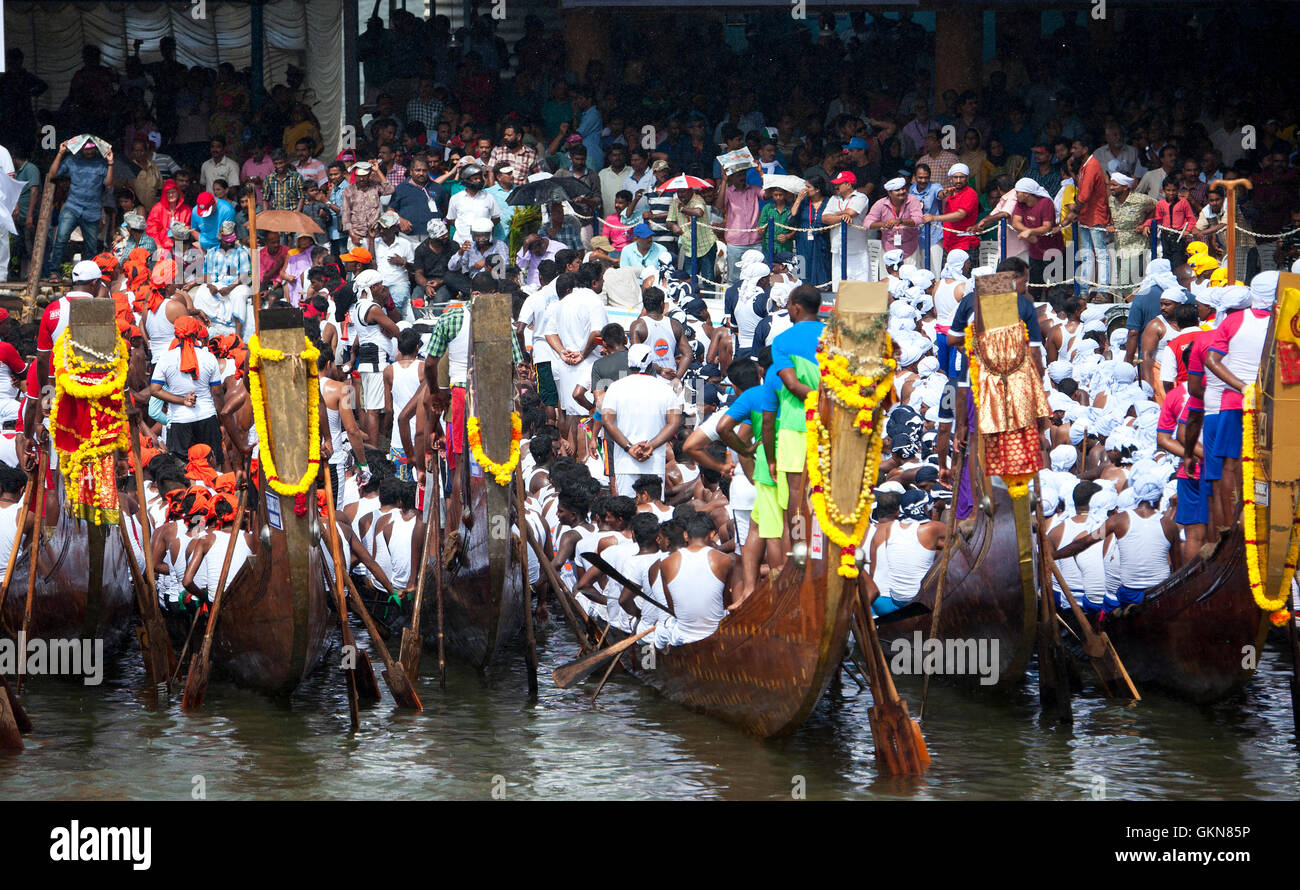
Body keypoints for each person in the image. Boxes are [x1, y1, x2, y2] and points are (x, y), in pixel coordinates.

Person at [601, 343, 682, 498]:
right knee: (653, 511)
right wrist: (650, 446)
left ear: (628, 363)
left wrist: (629, 448)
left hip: (625, 462)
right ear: (651, 364)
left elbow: (607, 421)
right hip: (654, 462)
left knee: (625, 511)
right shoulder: (665, 388)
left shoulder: (615, 387)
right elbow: (673, 423)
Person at [150, 317, 225, 462]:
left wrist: (182, 401)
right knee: (211, 466)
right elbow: (217, 393)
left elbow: (154, 390)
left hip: (180, 421)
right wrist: (221, 423)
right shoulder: (209, 357)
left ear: (176, 334)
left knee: (183, 471)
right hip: (207, 418)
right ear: (197, 333)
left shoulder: (165, 358)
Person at [652, 512, 733, 646]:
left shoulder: (666, 563)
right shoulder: (724, 560)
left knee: (664, 629)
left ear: (685, 535)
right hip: (715, 631)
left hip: (684, 635)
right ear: (712, 534)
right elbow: (726, 601)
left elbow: (672, 607)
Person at [193, 221, 252, 337]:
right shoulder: (212, 252)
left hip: (236, 284)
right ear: (220, 239)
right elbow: (206, 274)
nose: (230, 244)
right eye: (227, 241)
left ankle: (238, 335)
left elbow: (245, 275)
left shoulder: (242, 252)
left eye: (232, 241)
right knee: (201, 293)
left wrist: (230, 288)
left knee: (240, 295)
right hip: (217, 284)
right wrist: (210, 286)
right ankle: (201, 330)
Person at [628, 287, 691, 381]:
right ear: (662, 304)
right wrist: (677, 378)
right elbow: (688, 353)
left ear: (644, 305)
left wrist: (660, 370)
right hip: (670, 381)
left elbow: (637, 358)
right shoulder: (675, 325)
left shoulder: (637, 326)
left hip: (647, 381)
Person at [864, 176, 924, 274]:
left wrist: (900, 221)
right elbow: (867, 223)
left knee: (910, 279)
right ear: (889, 193)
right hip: (888, 247)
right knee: (888, 281)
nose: (902, 192)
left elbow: (919, 219)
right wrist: (884, 224)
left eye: (903, 188)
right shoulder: (881, 203)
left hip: (909, 247)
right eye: (897, 190)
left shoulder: (913, 200)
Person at [925, 162, 980, 261]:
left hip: (964, 244)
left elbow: (960, 214)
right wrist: (944, 194)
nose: (958, 180)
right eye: (955, 177)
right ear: (951, 178)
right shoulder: (950, 192)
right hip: (948, 244)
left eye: (961, 177)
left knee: (964, 276)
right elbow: (940, 195)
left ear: (967, 178)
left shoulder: (970, 193)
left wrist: (934, 218)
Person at [822, 170, 868, 284]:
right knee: (838, 283)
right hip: (837, 247)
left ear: (848, 184)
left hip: (856, 248)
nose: (836, 186)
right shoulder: (834, 199)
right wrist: (842, 217)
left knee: (859, 282)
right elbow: (824, 218)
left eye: (839, 183)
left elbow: (852, 212)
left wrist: (835, 214)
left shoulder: (861, 197)